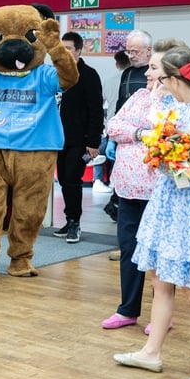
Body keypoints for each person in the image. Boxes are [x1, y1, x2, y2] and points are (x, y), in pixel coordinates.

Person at [113, 47, 190, 379]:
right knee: (160, 281)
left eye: (160, 77)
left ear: (177, 78)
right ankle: (151, 352)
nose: (156, 83)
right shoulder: (174, 107)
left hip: (188, 207)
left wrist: (164, 156)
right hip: (166, 202)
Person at [101, 38, 184, 334]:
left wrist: (139, 133)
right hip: (126, 188)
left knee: (158, 254)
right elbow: (113, 127)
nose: (146, 74)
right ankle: (127, 310)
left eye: (152, 68)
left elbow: (167, 136)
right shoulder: (137, 96)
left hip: (157, 190)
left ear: (168, 72)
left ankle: (163, 316)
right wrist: (141, 133)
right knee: (129, 249)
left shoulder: (177, 102)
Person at [53, 32, 104, 243]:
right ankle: (68, 219)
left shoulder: (88, 75)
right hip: (57, 139)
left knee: (73, 181)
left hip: (79, 140)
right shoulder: (55, 74)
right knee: (63, 180)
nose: (64, 52)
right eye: (61, 48)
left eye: (68, 49)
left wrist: (93, 142)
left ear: (78, 51)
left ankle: (75, 222)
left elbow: (96, 110)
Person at [104, 30, 152, 222]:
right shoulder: (128, 73)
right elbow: (119, 108)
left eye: (135, 52)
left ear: (148, 50)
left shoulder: (155, 75)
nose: (131, 56)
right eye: (128, 52)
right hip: (124, 143)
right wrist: (111, 140)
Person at [93, 50, 131, 193]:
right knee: (119, 154)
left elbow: (99, 104)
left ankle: (98, 180)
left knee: (101, 150)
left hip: (111, 126)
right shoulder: (134, 80)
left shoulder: (108, 81)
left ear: (117, 64)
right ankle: (115, 182)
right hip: (129, 127)